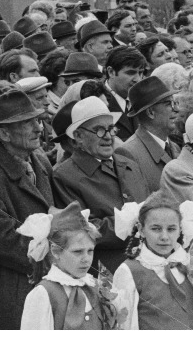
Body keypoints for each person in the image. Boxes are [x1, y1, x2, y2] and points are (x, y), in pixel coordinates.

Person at [0, 89, 55, 329]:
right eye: (27, 123)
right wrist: (58, 255)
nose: (39, 128)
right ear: (3, 133)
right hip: (13, 293)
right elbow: (4, 242)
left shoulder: (39, 158)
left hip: (44, 281)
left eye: (37, 120)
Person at [51, 97, 149, 272]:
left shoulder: (129, 164)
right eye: (99, 130)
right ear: (78, 136)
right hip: (106, 273)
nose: (108, 137)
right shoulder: (65, 176)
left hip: (146, 268)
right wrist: (133, 224)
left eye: (111, 129)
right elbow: (82, 231)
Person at [18, 201, 122, 329]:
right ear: (56, 251)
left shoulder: (96, 286)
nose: (86, 259)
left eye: (90, 251)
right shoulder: (44, 293)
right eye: (77, 252)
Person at [112, 192, 193, 329]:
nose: (164, 236)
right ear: (141, 230)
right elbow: (125, 327)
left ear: (180, 229)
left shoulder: (186, 264)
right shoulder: (130, 271)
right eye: (156, 229)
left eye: (171, 229)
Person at [117, 76, 181, 194]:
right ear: (151, 112)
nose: (177, 109)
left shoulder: (175, 147)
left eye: (175, 103)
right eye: (169, 104)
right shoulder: (128, 153)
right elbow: (139, 205)